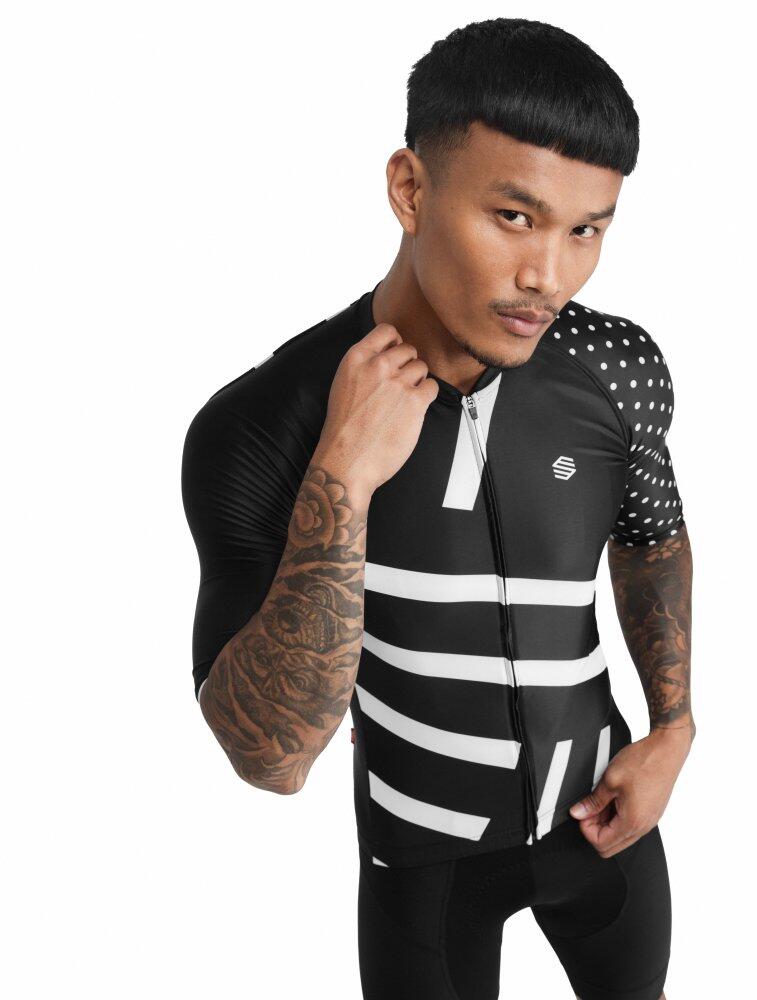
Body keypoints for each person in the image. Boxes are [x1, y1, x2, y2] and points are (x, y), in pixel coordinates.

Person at [181, 17, 695, 1000]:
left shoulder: (615, 367)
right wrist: (341, 477)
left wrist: (671, 726)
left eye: (585, 230)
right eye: (514, 216)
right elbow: (269, 757)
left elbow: (651, 535)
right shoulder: (264, 423)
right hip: (425, 861)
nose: (548, 274)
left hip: (607, 828)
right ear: (410, 189)